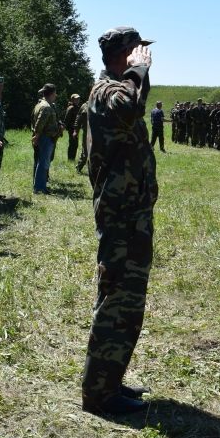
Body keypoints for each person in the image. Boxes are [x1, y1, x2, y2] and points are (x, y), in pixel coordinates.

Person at [82, 25, 157, 416]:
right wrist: (138, 71)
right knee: (116, 301)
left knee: (127, 303)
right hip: (120, 217)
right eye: (140, 50)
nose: (147, 56)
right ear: (124, 54)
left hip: (133, 216)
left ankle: (108, 380)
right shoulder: (106, 91)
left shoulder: (120, 88)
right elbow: (128, 106)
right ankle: (98, 394)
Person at [31, 83, 62, 194]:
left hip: (44, 137)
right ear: (52, 94)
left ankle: (39, 186)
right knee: (43, 163)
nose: (56, 96)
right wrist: (37, 136)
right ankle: (39, 188)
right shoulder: (46, 106)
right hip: (45, 138)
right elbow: (39, 123)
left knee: (41, 162)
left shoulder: (40, 104)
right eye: (55, 93)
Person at [65, 94, 82, 161]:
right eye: (76, 99)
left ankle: (72, 159)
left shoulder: (77, 107)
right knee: (72, 144)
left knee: (75, 145)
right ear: (72, 99)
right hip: (72, 129)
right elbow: (66, 119)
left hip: (76, 129)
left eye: (78, 99)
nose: (78, 100)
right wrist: (65, 127)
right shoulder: (71, 108)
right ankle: (70, 159)